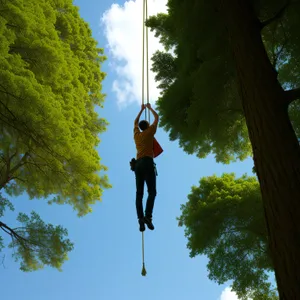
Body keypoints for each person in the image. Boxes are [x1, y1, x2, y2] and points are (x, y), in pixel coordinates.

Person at [133, 103, 159, 232]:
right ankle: (148, 217)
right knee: (152, 192)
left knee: (139, 194)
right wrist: (149, 108)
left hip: (138, 165)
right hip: (148, 163)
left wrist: (141, 110)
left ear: (140, 128)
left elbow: (135, 122)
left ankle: (141, 220)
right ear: (148, 127)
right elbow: (157, 117)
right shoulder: (150, 132)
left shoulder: (136, 136)